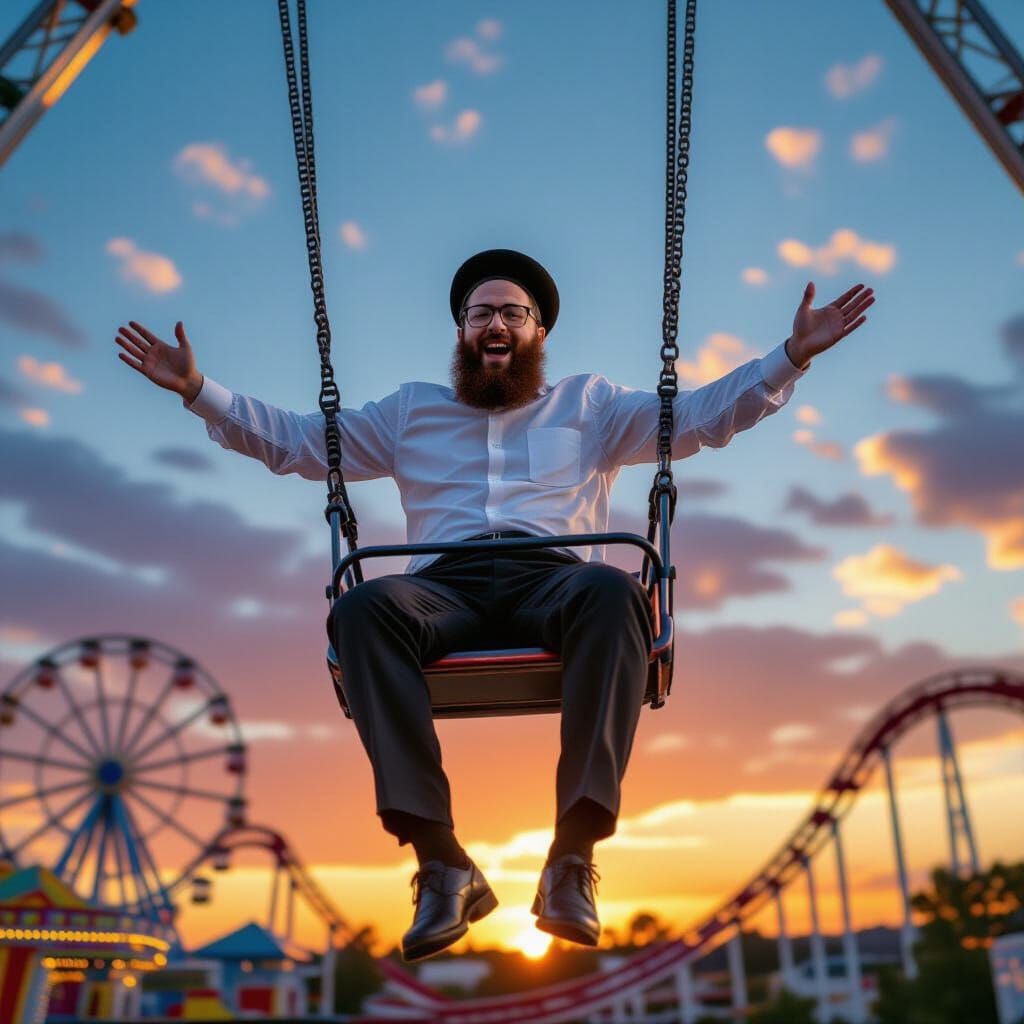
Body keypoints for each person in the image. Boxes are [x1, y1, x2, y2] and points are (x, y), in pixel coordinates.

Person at [116, 248, 874, 962]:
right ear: (461, 332)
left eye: (513, 312)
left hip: (556, 582)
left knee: (617, 588)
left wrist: (791, 356)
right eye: (481, 313)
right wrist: (196, 391)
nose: (496, 324)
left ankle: (571, 858)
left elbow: (703, 417)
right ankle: (443, 866)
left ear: (538, 332)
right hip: (445, 589)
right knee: (363, 607)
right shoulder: (409, 413)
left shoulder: (592, 406)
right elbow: (301, 444)